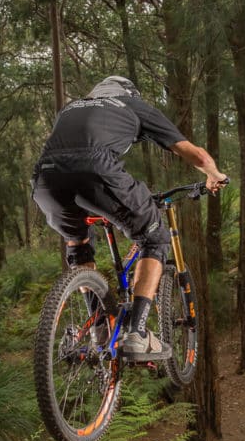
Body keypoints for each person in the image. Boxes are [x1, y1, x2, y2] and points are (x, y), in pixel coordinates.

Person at [32, 75, 226, 361]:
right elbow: (193, 153)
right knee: (155, 238)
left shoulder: (72, 107)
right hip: (94, 169)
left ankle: (100, 327)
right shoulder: (133, 105)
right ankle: (136, 333)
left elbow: (68, 152)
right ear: (130, 93)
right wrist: (214, 175)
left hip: (45, 178)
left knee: (78, 245)